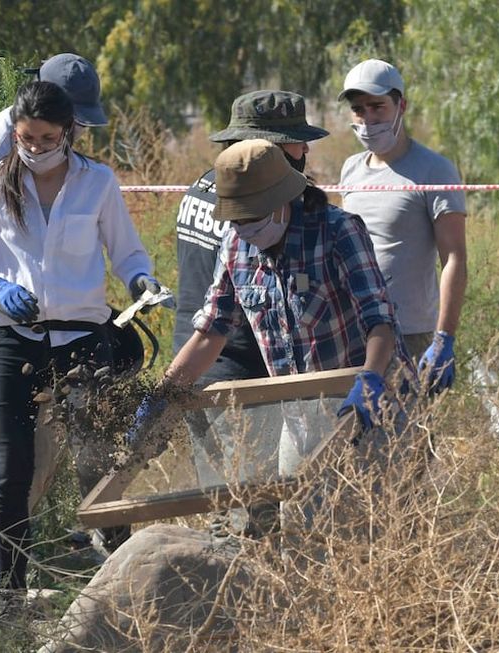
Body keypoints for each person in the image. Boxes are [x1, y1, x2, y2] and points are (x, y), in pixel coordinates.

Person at [0, 80, 162, 594]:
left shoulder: (97, 182)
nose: (36, 149)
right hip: (12, 337)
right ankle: (7, 595)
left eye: (47, 139)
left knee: (98, 461)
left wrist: (141, 279)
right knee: (11, 469)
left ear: (68, 132)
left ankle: (122, 584)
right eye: (26, 138)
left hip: (82, 341)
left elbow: (127, 252)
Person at [135, 140, 415, 508]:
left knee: (373, 529)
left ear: (282, 201)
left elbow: (380, 321)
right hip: (301, 420)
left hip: (370, 408)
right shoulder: (236, 246)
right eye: (236, 219)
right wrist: (162, 397)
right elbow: (211, 333)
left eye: (251, 217)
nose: (245, 228)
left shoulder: (338, 232)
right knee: (298, 536)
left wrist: (370, 379)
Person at [174, 90, 329, 536]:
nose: (305, 155)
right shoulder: (257, 204)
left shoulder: (204, 187)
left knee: (227, 511)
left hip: (196, 367)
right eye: (297, 145)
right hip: (241, 378)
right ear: (269, 150)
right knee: (252, 521)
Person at [338, 58, 468, 395]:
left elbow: (454, 258)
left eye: (377, 107)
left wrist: (443, 338)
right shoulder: (350, 170)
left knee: (408, 443)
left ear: (402, 106)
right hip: (355, 333)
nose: (368, 119)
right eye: (359, 109)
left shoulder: (434, 171)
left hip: (408, 335)